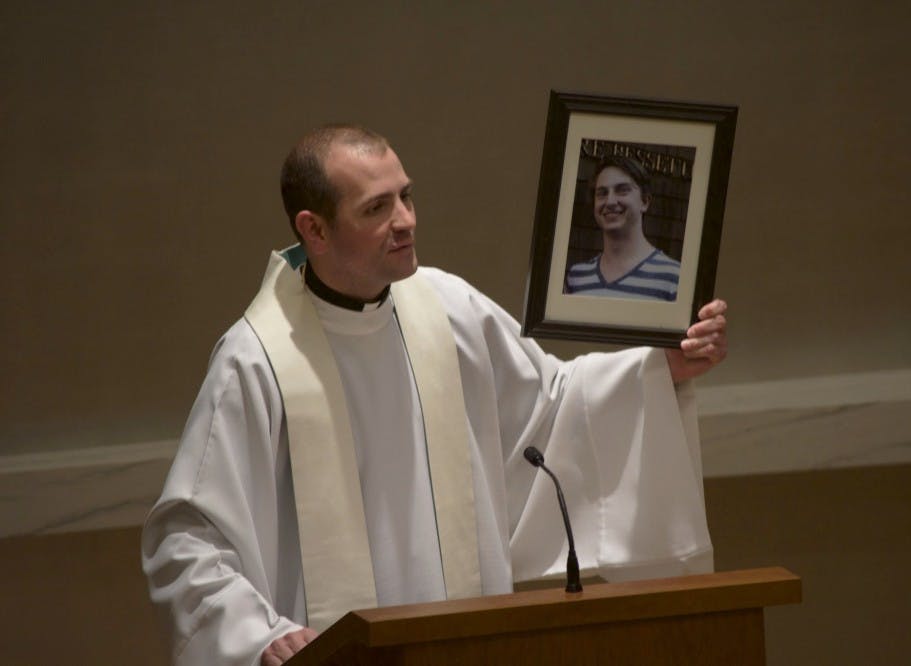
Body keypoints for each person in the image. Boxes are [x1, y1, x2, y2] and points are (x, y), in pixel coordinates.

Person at [141, 124, 728, 666]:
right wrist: (258, 634)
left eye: (406, 196)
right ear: (313, 230)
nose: (406, 220)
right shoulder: (257, 357)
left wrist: (663, 366)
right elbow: (189, 540)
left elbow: (553, 405)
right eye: (377, 207)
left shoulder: (447, 308)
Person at [564, 155, 681, 300]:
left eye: (622, 190)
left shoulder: (674, 278)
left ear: (644, 202)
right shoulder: (577, 277)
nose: (610, 201)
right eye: (602, 193)